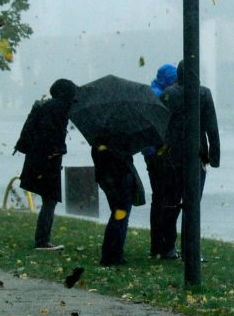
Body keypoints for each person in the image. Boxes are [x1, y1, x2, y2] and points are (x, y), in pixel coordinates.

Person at [158, 60, 220, 261]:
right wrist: (214, 156)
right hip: (196, 155)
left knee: (171, 203)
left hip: (172, 156)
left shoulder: (169, 93)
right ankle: (190, 251)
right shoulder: (204, 93)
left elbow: (161, 125)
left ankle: (167, 247)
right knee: (192, 205)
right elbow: (212, 128)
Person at [15, 79, 76, 251]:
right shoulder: (57, 109)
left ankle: (42, 239)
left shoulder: (46, 107)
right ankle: (42, 241)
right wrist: (56, 150)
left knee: (49, 199)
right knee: (50, 199)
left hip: (38, 159)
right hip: (47, 161)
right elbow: (49, 133)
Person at [143, 64, 178, 258]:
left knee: (158, 199)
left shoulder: (151, 92)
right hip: (158, 154)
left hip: (150, 153)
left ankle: (156, 245)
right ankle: (164, 245)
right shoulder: (161, 97)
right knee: (166, 199)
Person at [91, 145, 144, 266]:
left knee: (116, 215)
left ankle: (108, 254)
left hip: (107, 177)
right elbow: (121, 156)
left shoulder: (98, 138)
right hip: (120, 176)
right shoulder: (119, 137)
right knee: (121, 217)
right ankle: (114, 255)